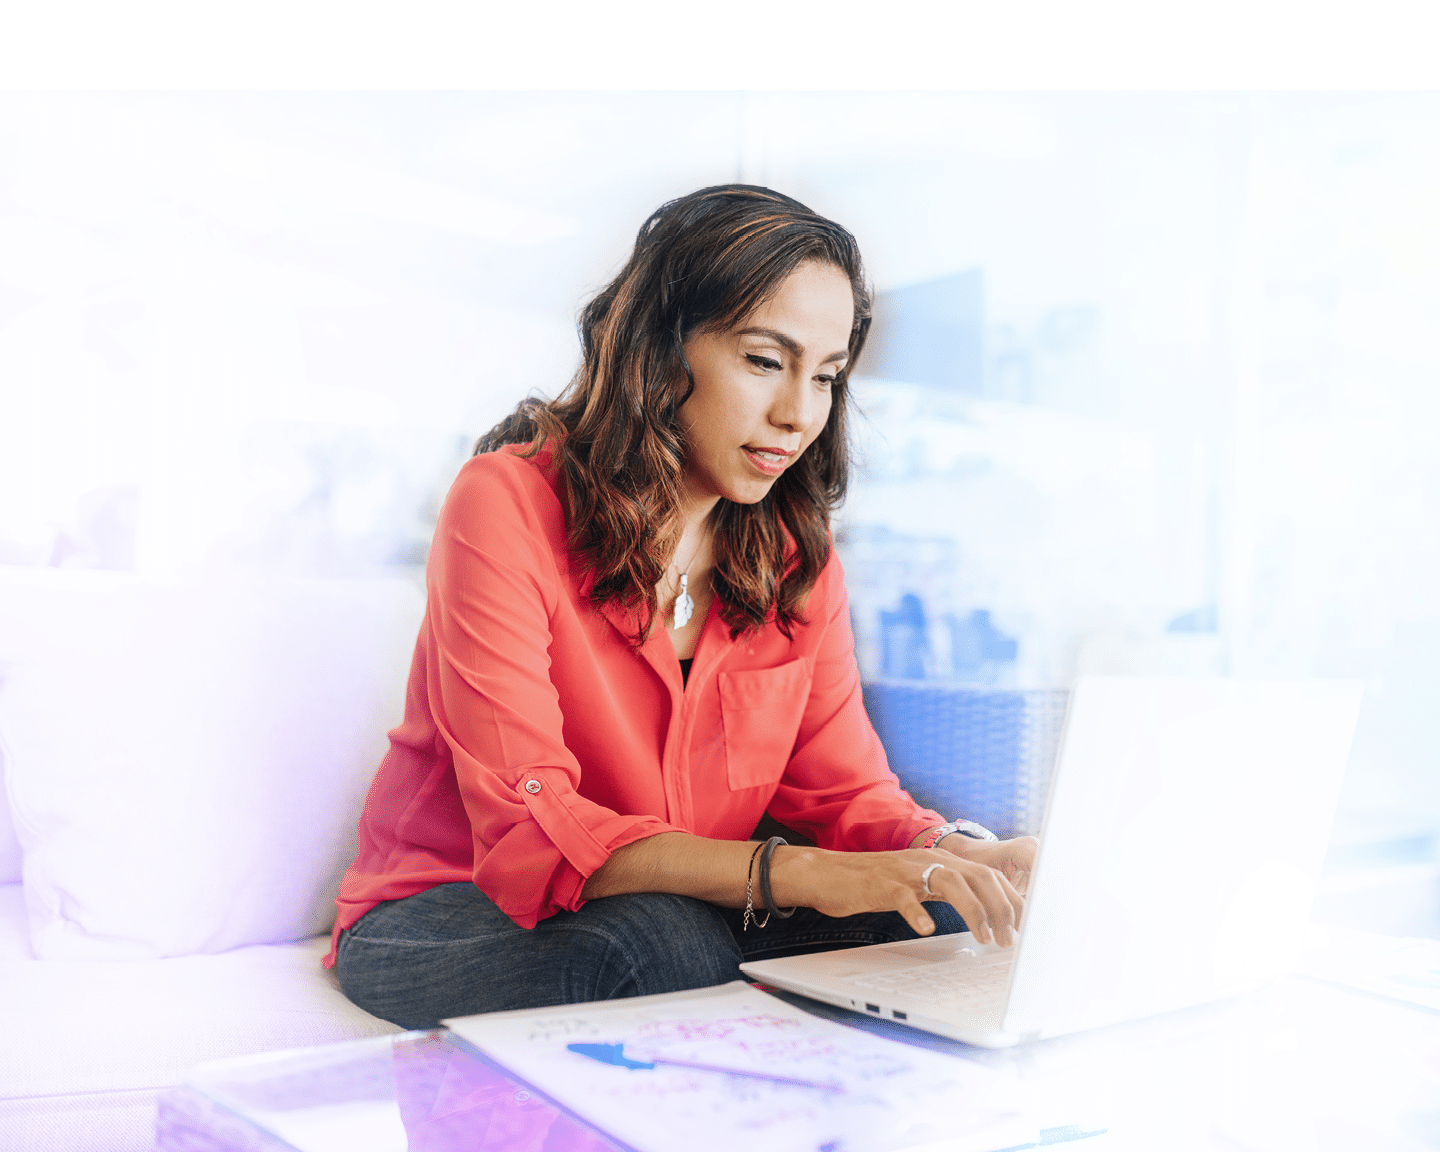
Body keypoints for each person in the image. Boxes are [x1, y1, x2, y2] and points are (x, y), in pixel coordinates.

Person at [327, 185, 1038, 1029]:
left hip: (690, 900)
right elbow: (532, 829)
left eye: (827, 376)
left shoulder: (793, 560)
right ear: (662, 350)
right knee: (664, 943)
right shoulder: (506, 502)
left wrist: (960, 855)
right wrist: (800, 876)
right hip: (448, 911)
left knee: (943, 914)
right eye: (765, 361)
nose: (798, 414)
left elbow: (848, 796)